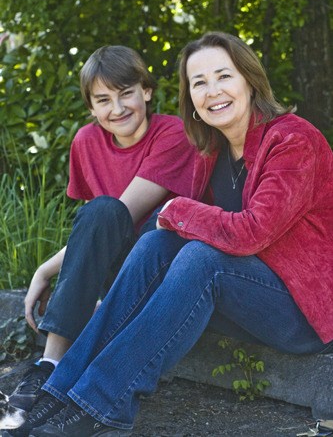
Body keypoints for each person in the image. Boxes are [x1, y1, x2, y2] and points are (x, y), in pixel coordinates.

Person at [4, 31, 333, 437]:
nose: (213, 91)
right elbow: (174, 237)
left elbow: (251, 233)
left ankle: (100, 403)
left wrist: (173, 209)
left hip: (300, 311)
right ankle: (60, 389)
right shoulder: (210, 149)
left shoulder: (293, 140)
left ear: (249, 80)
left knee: (201, 257)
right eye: (199, 82)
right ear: (190, 97)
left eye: (223, 76)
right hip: (237, 301)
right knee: (161, 242)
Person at [8, 45, 196, 414]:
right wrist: (83, 282)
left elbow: (124, 212)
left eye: (126, 93)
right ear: (91, 108)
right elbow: (90, 231)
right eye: (103, 100)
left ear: (147, 90)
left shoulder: (173, 134)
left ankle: (66, 370)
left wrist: (46, 269)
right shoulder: (86, 142)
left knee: (111, 209)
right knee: (100, 211)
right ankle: (49, 365)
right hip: (115, 263)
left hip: (160, 263)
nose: (118, 108)